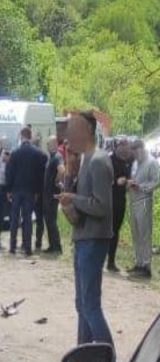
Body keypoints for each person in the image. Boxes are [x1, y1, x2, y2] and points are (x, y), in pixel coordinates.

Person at [56, 111, 114, 346]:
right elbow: (79, 205)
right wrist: (69, 177)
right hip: (83, 238)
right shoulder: (83, 161)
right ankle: (83, 359)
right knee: (82, 304)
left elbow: (102, 206)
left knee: (90, 305)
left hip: (94, 241)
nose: (68, 135)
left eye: (73, 129)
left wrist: (74, 198)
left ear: (87, 131)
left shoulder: (99, 161)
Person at [5, 126, 48, 256]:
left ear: (21, 136)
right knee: (28, 219)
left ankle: (12, 246)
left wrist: (8, 189)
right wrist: (37, 191)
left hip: (16, 190)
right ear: (30, 136)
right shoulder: (38, 153)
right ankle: (28, 248)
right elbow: (40, 174)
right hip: (30, 191)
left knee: (14, 219)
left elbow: (10, 173)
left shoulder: (15, 153)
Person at [128, 140, 159, 278]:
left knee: (144, 234)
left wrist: (142, 187)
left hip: (144, 201)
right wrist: (130, 183)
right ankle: (139, 262)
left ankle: (146, 266)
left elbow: (157, 181)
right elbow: (134, 177)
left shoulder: (152, 162)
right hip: (133, 201)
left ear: (141, 149)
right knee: (136, 234)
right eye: (132, 151)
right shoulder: (135, 163)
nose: (134, 154)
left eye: (135, 151)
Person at [108, 138, 133, 271]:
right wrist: (115, 181)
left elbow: (128, 176)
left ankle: (111, 261)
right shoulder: (109, 160)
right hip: (109, 199)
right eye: (122, 146)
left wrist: (128, 181)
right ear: (116, 147)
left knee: (115, 230)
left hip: (120, 199)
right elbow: (105, 178)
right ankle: (103, 259)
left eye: (126, 146)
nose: (124, 149)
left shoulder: (126, 161)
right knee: (107, 230)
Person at [39, 136, 64, 254]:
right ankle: (52, 244)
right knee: (48, 220)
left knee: (51, 220)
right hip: (47, 193)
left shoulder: (57, 157)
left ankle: (57, 246)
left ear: (54, 144)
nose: (47, 146)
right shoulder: (51, 157)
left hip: (52, 194)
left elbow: (62, 170)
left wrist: (56, 181)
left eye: (49, 144)